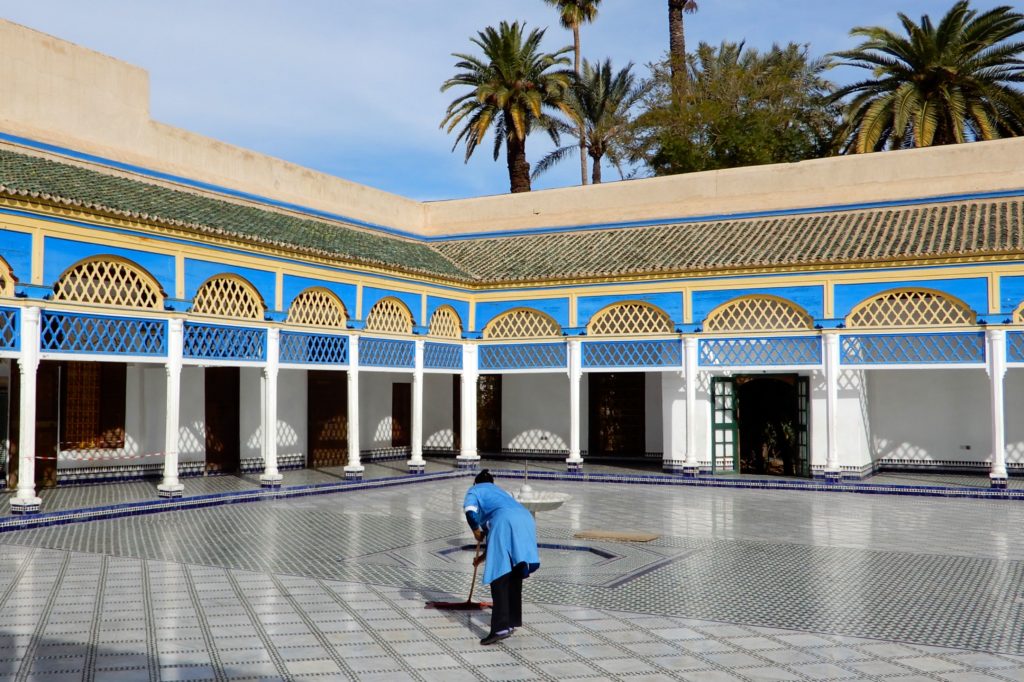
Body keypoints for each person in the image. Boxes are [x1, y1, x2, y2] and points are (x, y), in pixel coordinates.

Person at [463, 469, 540, 645]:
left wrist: (476, 531)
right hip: (525, 519)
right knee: (514, 572)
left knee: (500, 576)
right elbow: (498, 542)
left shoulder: (474, 490)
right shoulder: (500, 493)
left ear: (476, 483)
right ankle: (511, 622)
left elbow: (470, 511)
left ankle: (500, 628)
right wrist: (481, 559)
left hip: (505, 521)